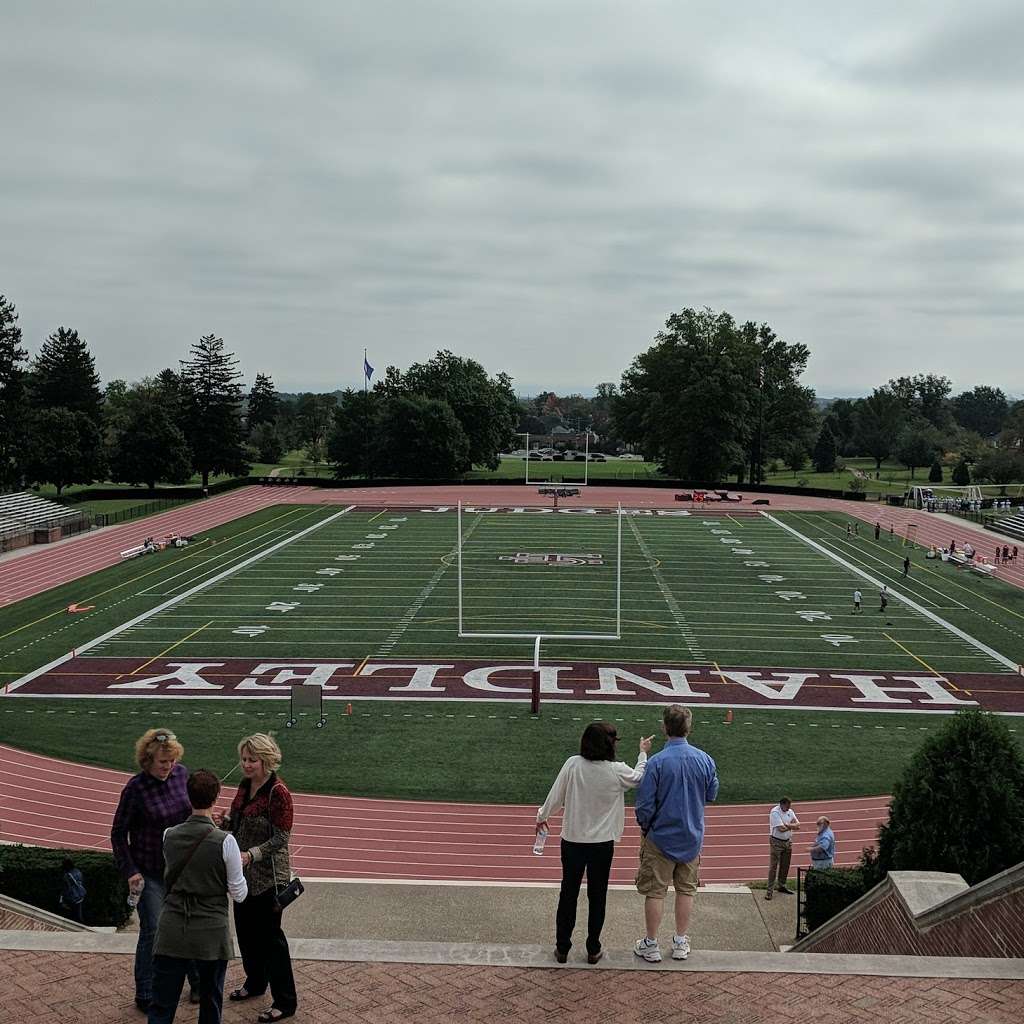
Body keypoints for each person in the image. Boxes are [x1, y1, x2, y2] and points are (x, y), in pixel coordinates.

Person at [537, 723, 652, 964]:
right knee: (597, 896)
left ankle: (562, 948)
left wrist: (542, 816)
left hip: (572, 841)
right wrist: (643, 752)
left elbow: (555, 795)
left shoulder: (573, 764)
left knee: (568, 893)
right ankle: (593, 948)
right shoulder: (617, 771)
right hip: (602, 843)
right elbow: (640, 777)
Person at [111, 728, 200, 1013]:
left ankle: (197, 982)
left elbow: (193, 813)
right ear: (147, 760)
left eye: (172, 760)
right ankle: (145, 992)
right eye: (163, 762)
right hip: (149, 872)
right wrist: (130, 870)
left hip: (181, 869)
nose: (169, 766)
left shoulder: (182, 775)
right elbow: (118, 833)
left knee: (187, 926)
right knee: (153, 931)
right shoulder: (135, 789)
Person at [148, 769, 248, 1024]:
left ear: (187, 796)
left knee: (161, 1007)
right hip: (211, 934)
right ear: (216, 798)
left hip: (172, 929)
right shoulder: (226, 842)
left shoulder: (168, 835)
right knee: (210, 1005)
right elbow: (239, 894)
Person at [633, 704, 719, 963]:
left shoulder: (657, 762)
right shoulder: (704, 759)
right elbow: (711, 794)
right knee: (686, 890)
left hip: (660, 837)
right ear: (689, 728)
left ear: (664, 727)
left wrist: (646, 828)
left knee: (655, 891)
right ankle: (681, 941)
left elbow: (645, 805)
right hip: (691, 836)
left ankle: (651, 943)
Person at [221, 734, 297, 1023]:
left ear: (266, 760)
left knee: (271, 941)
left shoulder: (279, 792)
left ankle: (285, 1002)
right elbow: (238, 821)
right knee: (246, 934)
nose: (247, 765)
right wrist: (225, 822)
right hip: (242, 876)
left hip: (268, 878)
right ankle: (255, 983)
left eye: (252, 760)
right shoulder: (243, 786)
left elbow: (281, 838)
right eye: (244, 759)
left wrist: (252, 854)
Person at [765, 797, 800, 899]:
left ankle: (782, 885)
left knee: (785, 865)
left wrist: (788, 825)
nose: (789, 808)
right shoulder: (775, 812)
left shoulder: (790, 811)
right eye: (787, 806)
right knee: (773, 867)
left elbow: (798, 825)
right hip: (776, 842)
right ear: (782, 804)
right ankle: (769, 891)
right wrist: (792, 826)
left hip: (788, 842)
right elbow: (780, 829)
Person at [58, 857, 86, 923]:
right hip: (80, 896)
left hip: (72, 898)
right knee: (78, 915)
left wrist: (62, 899)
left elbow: (66, 888)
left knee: (72, 916)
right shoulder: (78, 871)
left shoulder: (67, 876)